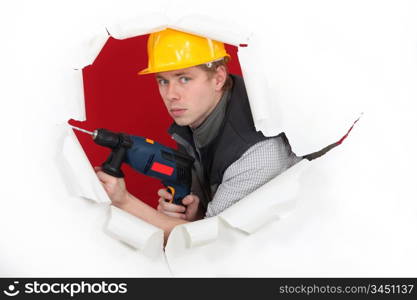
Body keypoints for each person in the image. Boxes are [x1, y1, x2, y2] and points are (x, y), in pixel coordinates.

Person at [95, 28, 301, 243]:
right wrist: (197, 212)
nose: (171, 95)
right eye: (163, 81)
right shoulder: (197, 117)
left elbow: (208, 244)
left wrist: (123, 201)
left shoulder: (257, 154)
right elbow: (212, 225)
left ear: (218, 78)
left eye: (184, 79)